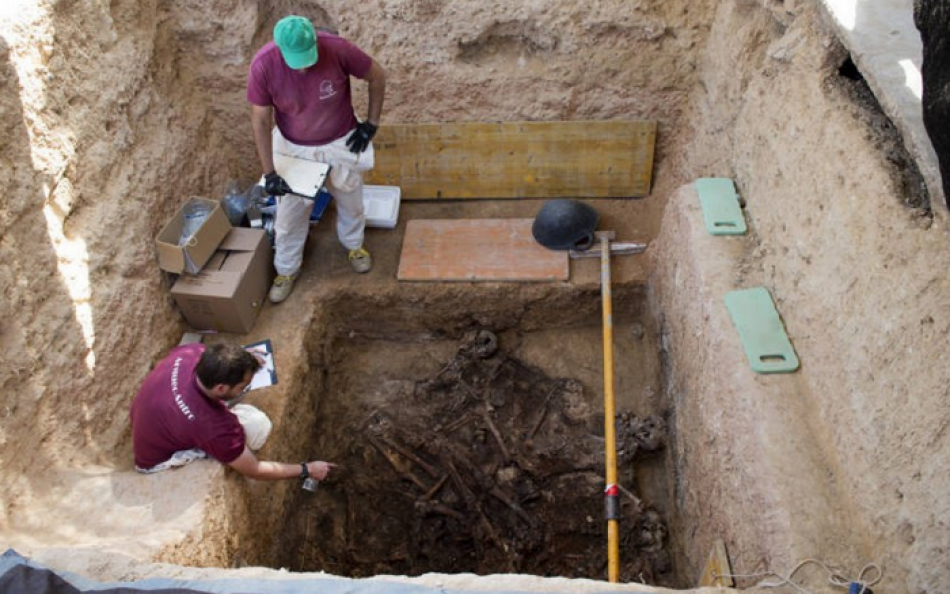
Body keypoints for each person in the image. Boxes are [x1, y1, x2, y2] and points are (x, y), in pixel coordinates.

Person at [247, 15, 387, 303]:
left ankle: (354, 245)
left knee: (351, 198)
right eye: (297, 61)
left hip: (340, 140)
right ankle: (286, 269)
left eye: (309, 58)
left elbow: (377, 75)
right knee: (289, 214)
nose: (305, 67)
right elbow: (260, 120)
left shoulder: (336, 48)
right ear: (281, 50)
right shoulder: (264, 65)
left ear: (316, 40)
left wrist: (371, 124)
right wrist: (270, 172)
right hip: (293, 147)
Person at [130, 342, 335, 483]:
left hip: (150, 420)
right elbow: (253, 470)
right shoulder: (215, 427)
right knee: (257, 424)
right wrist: (307, 469)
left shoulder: (190, 354)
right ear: (220, 389)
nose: (245, 388)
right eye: (242, 386)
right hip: (156, 460)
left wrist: (246, 360)